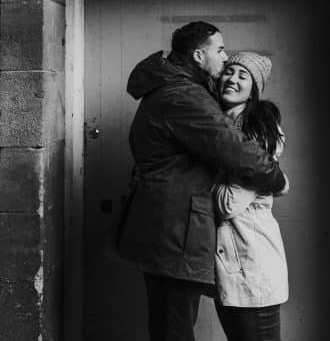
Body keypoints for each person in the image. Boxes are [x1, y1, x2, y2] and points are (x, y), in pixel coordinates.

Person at [118, 22, 288, 341]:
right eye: (220, 51)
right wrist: (277, 179)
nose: (225, 62)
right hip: (172, 232)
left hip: (171, 230)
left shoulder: (180, 88)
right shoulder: (184, 95)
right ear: (199, 55)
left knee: (172, 326)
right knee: (173, 329)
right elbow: (230, 145)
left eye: (242, 75)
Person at [212, 52, 288, 341]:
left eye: (243, 76)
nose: (232, 78)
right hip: (232, 268)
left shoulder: (258, 130)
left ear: (253, 90)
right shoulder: (222, 125)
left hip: (254, 264)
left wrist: (201, 183)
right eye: (229, 71)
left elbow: (229, 202)